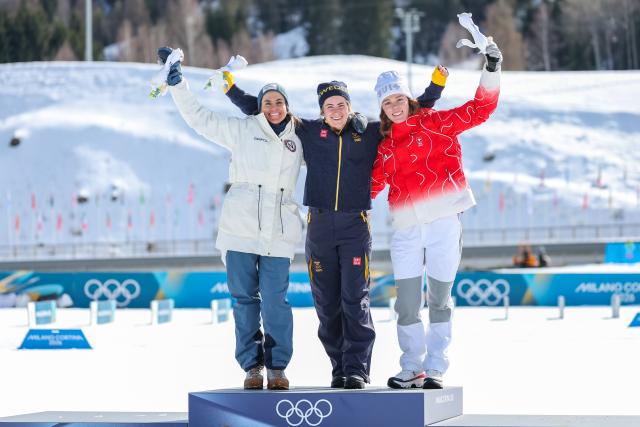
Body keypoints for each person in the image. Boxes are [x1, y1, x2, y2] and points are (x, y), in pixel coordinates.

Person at [223, 66, 447, 389]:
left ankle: (356, 367)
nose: (336, 110)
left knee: (355, 300)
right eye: (329, 106)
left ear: (349, 106)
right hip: (319, 225)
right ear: (322, 111)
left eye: (341, 104)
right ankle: (338, 366)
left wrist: (435, 87)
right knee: (327, 304)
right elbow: (268, 113)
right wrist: (232, 90)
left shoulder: (370, 132)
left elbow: (409, 113)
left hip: (355, 225)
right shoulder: (309, 132)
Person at [159, 47, 304, 390]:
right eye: (267, 102)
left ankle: (278, 367)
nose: (273, 108)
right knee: (243, 300)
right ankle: (252, 367)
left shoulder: (300, 139)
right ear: (259, 106)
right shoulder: (241, 130)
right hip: (239, 228)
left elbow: (335, 146)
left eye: (278, 102)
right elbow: (199, 118)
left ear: (287, 106)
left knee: (276, 302)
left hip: (279, 233)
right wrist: (178, 84)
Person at [371, 39, 503, 390]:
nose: (395, 106)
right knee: (408, 304)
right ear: (382, 108)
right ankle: (411, 365)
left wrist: (491, 70)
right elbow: (369, 187)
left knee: (440, 299)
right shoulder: (384, 148)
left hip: (444, 221)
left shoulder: (436, 123)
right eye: (387, 101)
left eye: (398, 98)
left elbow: (479, 110)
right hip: (406, 231)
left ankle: (435, 366)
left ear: (408, 98)